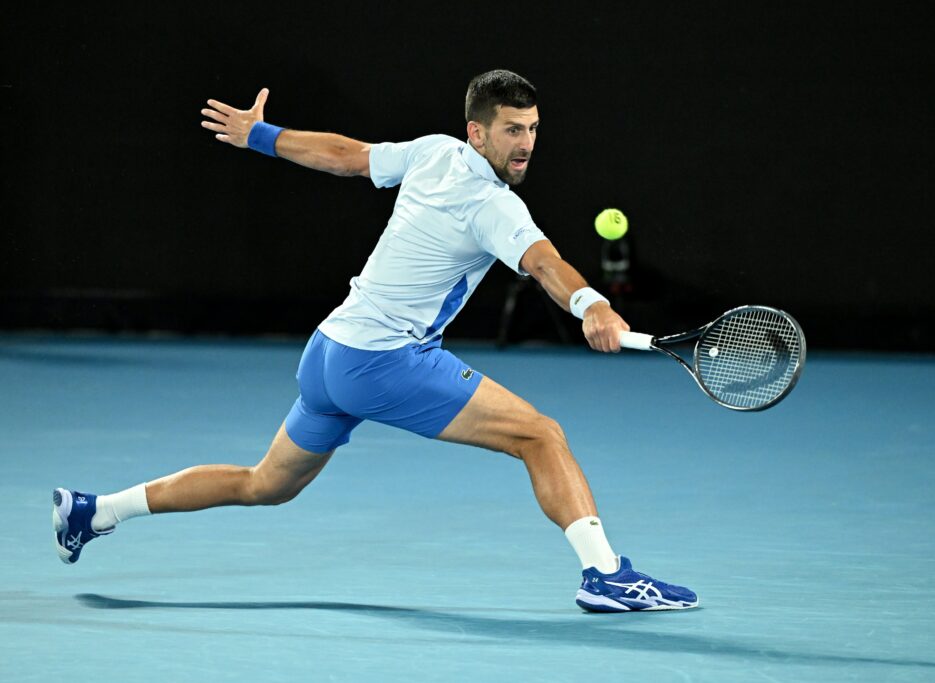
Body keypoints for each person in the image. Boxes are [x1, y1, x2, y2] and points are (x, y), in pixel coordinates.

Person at [52, 70, 698, 612]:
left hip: (329, 352)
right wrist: (591, 305)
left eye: (531, 128)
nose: (525, 143)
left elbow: (347, 155)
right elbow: (544, 263)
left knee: (265, 483)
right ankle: (604, 574)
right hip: (384, 361)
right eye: (511, 130)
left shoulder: (433, 152)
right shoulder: (494, 204)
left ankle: (96, 510)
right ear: (477, 132)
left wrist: (261, 136)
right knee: (541, 436)